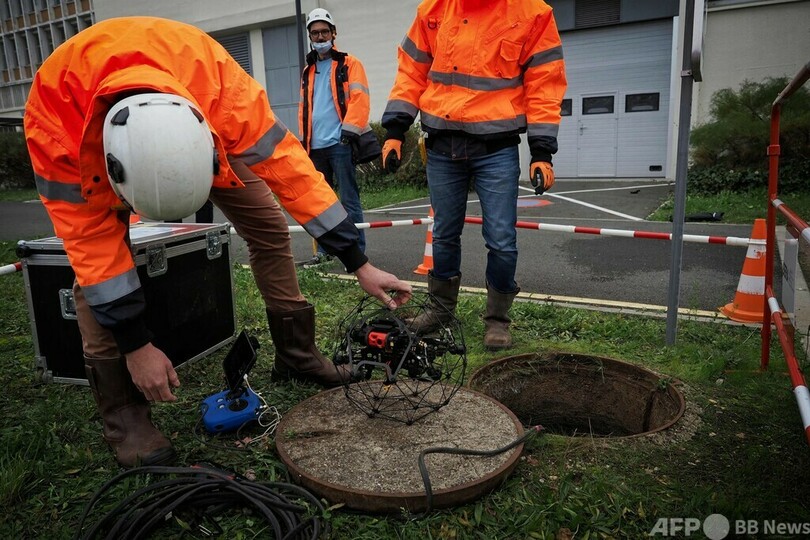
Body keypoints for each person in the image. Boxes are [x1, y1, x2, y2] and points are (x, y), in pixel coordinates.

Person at [24, 16, 412, 468]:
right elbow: (94, 249)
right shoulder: (54, 122)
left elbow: (292, 172)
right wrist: (136, 346)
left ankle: (297, 355)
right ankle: (124, 412)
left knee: (267, 223)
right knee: (93, 276)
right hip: (81, 128)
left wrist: (357, 261)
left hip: (197, 106)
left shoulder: (222, 89)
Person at [381, 0, 567, 351]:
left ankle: (497, 319)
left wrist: (542, 151)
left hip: (495, 149)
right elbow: (411, 73)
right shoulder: (433, 11)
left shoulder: (532, 14)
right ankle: (440, 310)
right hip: (442, 145)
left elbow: (545, 83)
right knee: (444, 233)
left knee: (501, 238)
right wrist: (395, 129)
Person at [298, 8, 370, 267]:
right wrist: (304, 142)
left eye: (324, 31)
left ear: (333, 33)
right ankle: (326, 252)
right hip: (315, 148)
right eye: (315, 33)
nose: (320, 37)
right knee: (321, 204)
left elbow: (360, 100)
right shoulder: (308, 70)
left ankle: (358, 253)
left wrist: (348, 133)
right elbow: (305, 109)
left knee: (349, 199)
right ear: (310, 36)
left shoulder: (350, 64)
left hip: (340, 144)